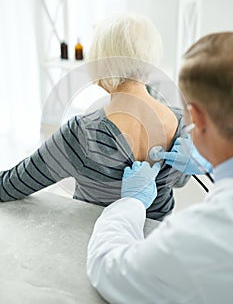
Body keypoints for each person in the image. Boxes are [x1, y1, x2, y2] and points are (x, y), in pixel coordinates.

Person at [87, 32, 233, 303]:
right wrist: (211, 165)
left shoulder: (203, 235)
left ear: (198, 118)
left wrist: (130, 202)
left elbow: (109, 268)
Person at [0, 13, 189, 220]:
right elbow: (179, 181)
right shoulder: (182, 123)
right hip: (158, 241)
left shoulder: (82, 134)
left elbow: (10, 186)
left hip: (94, 243)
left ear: (105, 64)